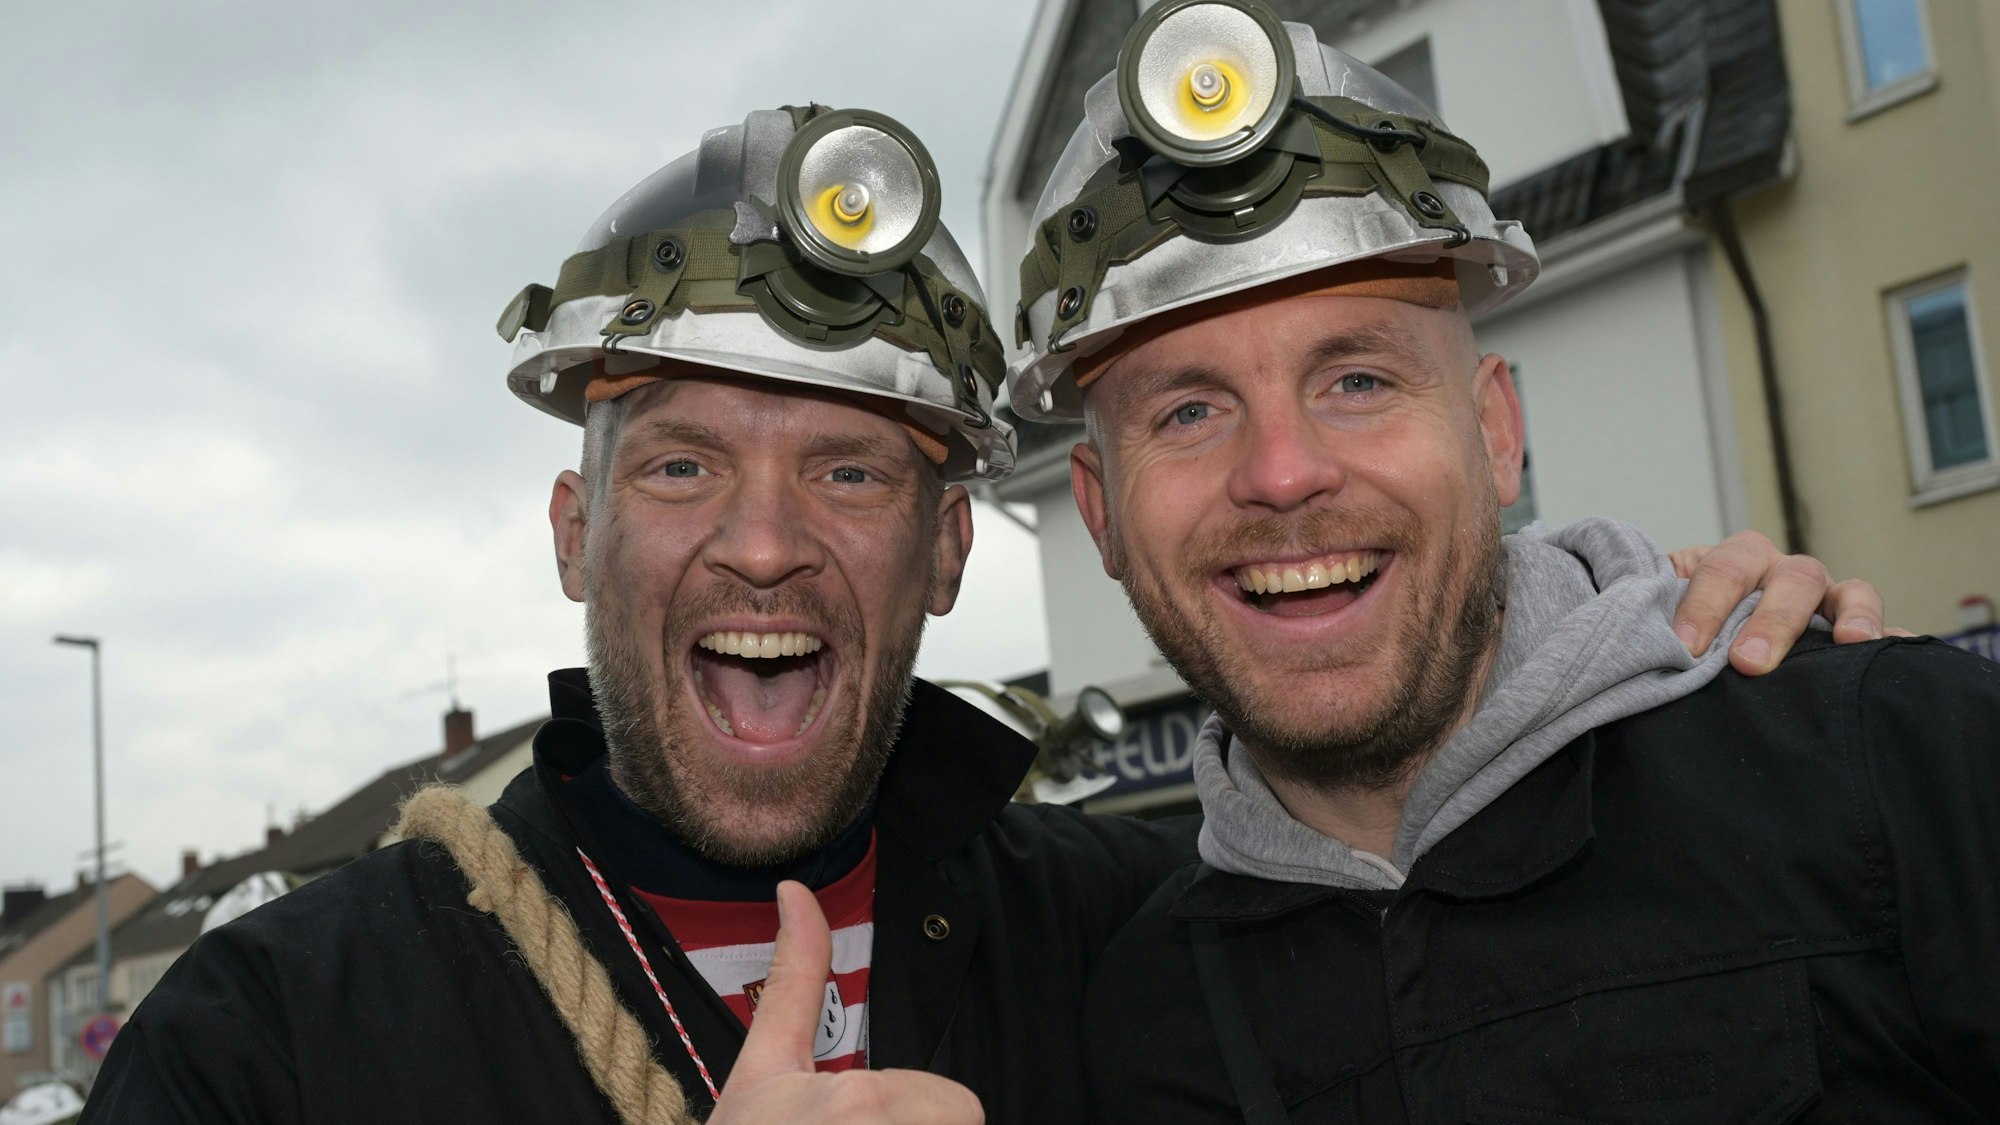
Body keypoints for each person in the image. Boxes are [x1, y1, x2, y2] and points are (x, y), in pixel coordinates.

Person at [81, 103, 1879, 1125]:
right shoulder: (279, 1039)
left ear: (952, 552)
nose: (768, 546)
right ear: (579, 529)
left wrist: (1674, 665)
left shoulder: (1155, 941)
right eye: (687, 466)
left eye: (856, 477)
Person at [1000, 3, 2000, 1120]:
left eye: (1357, 381)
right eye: (1187, 411)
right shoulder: (1135, 1026)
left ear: (1495, 433)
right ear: (1098, 514)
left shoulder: (1898, 768)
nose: (1281, 475)